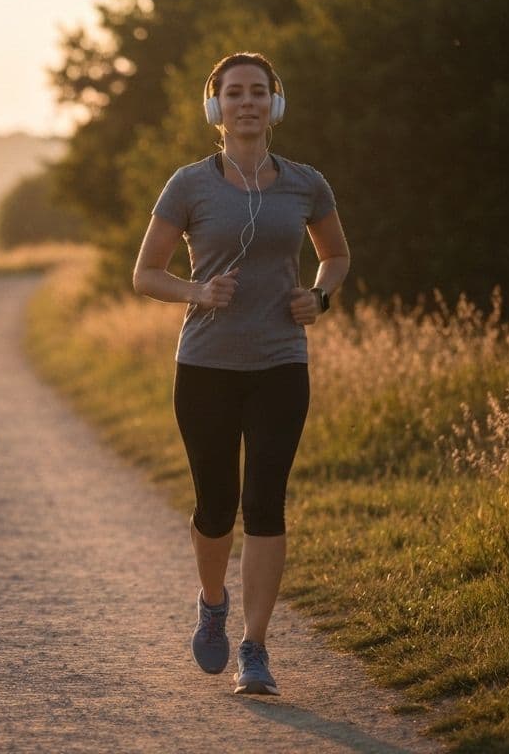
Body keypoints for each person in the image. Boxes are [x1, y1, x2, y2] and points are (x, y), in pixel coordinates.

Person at [131, 52, 350, 695]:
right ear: (216, 108)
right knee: (216, 505)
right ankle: (212, 600)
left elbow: (335, 255)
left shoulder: (306, 183)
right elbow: (145, 273)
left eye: (259, 92)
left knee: (265, 504)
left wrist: (321, 295)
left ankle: (255, 648)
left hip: (281, 363)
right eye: (235, 94)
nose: (247, 103)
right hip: (204, 367)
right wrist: (197, 293)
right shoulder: (188, 186)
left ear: (275, 104)